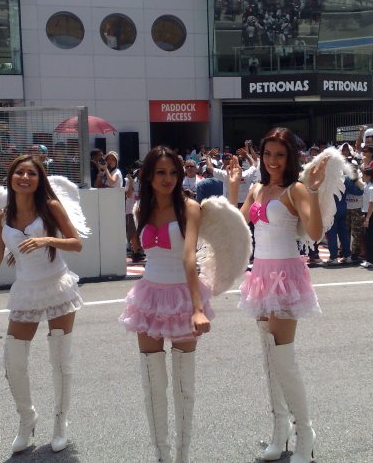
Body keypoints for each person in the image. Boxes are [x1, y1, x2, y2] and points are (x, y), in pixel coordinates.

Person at [0, 155, 84, 454]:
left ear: (39, 179)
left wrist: (47, 240)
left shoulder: (51, 208)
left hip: (58, 285)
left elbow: (76, 243)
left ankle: (60, 422)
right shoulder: (1, 215)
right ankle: (27, 418)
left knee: (60, 358)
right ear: (11, 178)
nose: (25, 177)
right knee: (13, 361)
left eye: (31, 173)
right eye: (19, 172)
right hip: (25, 291)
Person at [229, 127, 325, 463]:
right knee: (269, 359)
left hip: (285, 277)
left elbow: (314, 232)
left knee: (283, 359)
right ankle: (279, 429)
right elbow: (237, 227)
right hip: (260, 276)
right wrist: (232, 188)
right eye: (268, 154)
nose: (272, 161)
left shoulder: (294, 189)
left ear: (290, 157)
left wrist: (312, 189)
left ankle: (305, 432)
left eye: (279, 155)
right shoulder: (256, 188)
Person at [118, 146, 213, 463]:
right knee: (152, 383)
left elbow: (189, 257)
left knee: (184, 385)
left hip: (184, 296)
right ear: (148, 175)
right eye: (161, 172)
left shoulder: (190, 208)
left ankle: (182, 456)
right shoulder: (139, 210)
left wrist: (197, 308)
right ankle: (162, 454)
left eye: (173, 172)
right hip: (148, 296)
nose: (168, 178)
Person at [360, 168, 373, 268]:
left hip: (371, 214)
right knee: (370, 237)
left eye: (363, 175)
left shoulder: (372, 188)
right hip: (369, 214)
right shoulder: (366, 186)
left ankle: (371, 260)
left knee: (370, 238)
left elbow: (371, 204)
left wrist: (367, 219)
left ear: (369, 176)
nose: (362, 176)